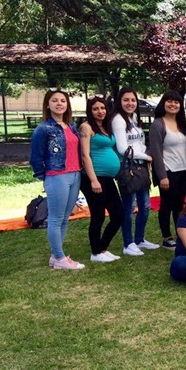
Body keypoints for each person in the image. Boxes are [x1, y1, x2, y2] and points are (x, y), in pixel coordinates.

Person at [30, 89, 85, 269]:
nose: (59, 103)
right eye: (55, 100)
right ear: (48, 104)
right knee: (55, 218)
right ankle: (60, 258)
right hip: (57, 177)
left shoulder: (72, 126)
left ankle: (56, 256)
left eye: (63, 100)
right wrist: (45, 178)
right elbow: (35, 158)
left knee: (64, 218)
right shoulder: (43, 129)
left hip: (74, 175)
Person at [112, 86, 158, 256]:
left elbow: (139, 141)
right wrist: (145, 157)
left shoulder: (134, 118)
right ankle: (128, 243)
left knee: (145, 206)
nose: (130, 103)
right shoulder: (118, 119)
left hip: (141, 166)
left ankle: (140, 239)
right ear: (120, 101)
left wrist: (144, 154)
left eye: (133, 100)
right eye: (126, 100)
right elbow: (123, 147)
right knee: (129, 206)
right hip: (128, 167)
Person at [79, 96, 124, 262]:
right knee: (98, 215)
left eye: (103, 108)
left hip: (108, 178)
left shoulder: (105, 127)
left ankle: (102, 247)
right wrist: (93, 180)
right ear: (90, 111)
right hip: (93, 177)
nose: (100, 112)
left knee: (118, 214)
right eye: (96, 109)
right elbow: (85, 155)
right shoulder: (86, 127)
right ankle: (95, 253)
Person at [149, 91, 186, 251]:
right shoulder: (158, 124)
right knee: (167, 204)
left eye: (176, 102)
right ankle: (167, 238)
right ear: (163, 103)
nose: (173, 104)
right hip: (169, 172)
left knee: (180, 206)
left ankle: (181, 235)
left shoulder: (182, 124)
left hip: (185, 170)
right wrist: (162, 176)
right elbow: (156, 151)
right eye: (169, 101)